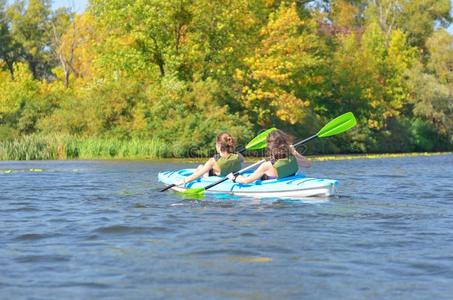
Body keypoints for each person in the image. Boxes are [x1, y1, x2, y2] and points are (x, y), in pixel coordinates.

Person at [233, 130, 310, 184]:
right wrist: (295, 152)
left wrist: (236, 178)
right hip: (289, 181)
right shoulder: (292, 158)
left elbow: (247, 181)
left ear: (270, 146)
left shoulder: (266, 166)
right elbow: (308, 164)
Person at [175, 132, 243, 185]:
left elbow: (197, 175)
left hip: (213, 179)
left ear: (219, 145)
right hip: (231, 176)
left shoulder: (212, 161)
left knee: (201, 167)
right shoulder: (238, 156)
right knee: (203, 167)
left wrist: (184, 181)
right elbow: (242, 160)